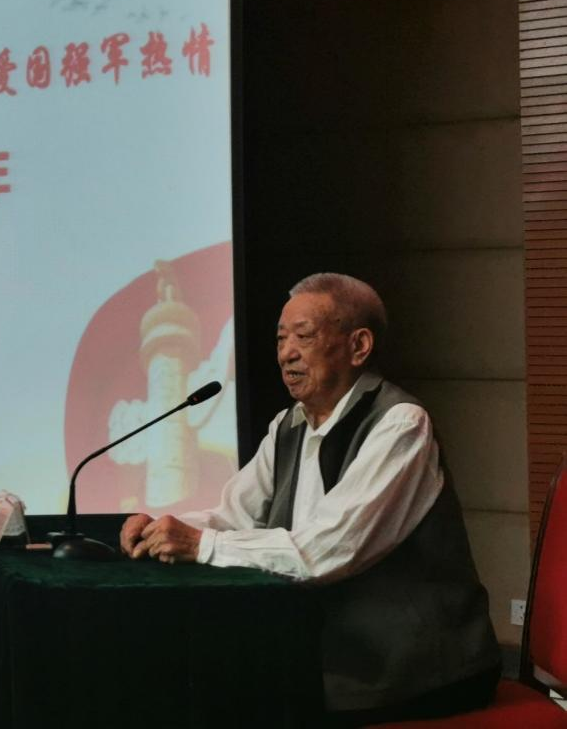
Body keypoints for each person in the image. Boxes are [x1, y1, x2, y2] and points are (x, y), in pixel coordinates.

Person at [119, 272, 500, 726]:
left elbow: (325, 551)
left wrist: (199, 544)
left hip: (412, 669)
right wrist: (163, 528)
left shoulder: (400, 425)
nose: (286, 353)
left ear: (359, 346)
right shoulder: (288, 425)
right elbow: (233, 515)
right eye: (281, 339)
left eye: (304, 336)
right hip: (330, 656)